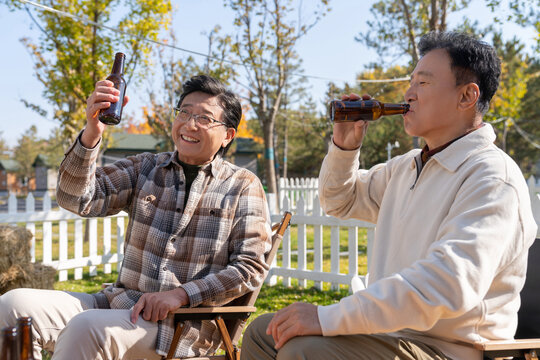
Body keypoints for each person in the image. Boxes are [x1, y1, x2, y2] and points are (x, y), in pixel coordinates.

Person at [241, 31, 538, 360]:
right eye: (410, 83)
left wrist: (327, 317)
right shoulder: (407, 167)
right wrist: (344, 146)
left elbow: (448, 284)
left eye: (422, 83)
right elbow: (339, 200)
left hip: (454, 351)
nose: (409, 94)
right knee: (263, 333)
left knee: (304, 349)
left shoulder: (492, 176)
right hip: (389, 338)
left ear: (467, 96)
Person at [0, 74, 272, 360]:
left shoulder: (243, 185)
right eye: (184, 112)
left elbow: (249, 268)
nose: (190, 124)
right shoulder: (146, 167)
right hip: (118, 304)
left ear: (228, 135)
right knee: (12, 304)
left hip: (180, 325)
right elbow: (76, 198)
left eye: (204, 118)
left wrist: (181, 295)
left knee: (86, 328)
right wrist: (92, 131)